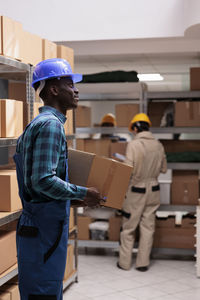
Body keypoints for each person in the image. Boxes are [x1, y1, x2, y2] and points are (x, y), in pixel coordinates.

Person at [14, 58, 104, 300]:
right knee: (42, 294)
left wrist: (73, 201)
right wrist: (83, 193)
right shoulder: (51, 126)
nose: (76, 90)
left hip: (40, 230)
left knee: (41, 293)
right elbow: (43, 180)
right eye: (70, 84)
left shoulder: (39, 124)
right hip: (43, 233)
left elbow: (36, 186)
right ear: (54, 89)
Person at [118, 113, 167, 272]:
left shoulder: (133, 144)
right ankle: (142, 264)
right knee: (148, 228)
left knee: (129, 227)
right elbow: (164, 169)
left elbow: (127, 171)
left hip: (136, 190)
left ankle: (124, 263)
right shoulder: (159, 145)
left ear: (136, 128)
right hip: (154, 190)